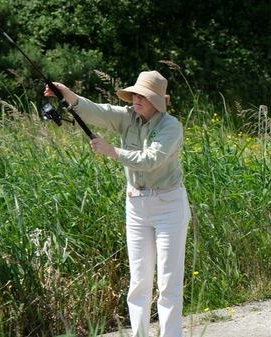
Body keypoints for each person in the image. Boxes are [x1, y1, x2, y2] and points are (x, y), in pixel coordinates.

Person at [45, 70, 190, 337]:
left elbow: (151, 160)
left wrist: (113, 151)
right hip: (136, 205)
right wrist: (68, 95)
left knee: (168, 281)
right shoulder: (126, 116)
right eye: (134, 94)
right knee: (139, 280)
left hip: (169, 205)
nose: (136, 99)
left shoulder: (171, 127)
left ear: (157, 101)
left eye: (142, 96)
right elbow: (96, 111)